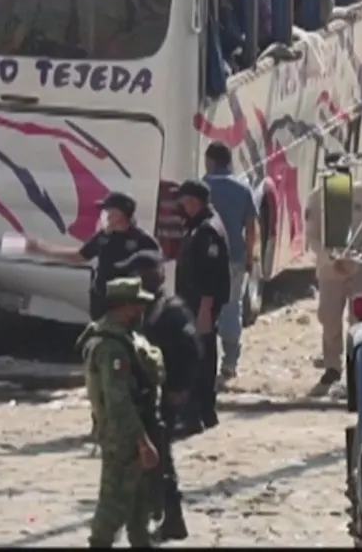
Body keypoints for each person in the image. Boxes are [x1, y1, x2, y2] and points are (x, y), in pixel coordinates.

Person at [115, 251, 199, 542]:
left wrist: (179, 389)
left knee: (159, 459)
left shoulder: (171, 310)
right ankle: (160, 516)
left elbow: (192, 352)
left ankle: (171, 518)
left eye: (135, 275)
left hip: (166, 397)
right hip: (147, 396)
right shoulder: (147, 310)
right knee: (152, 459)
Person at [77, 278, 165, 548]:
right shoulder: (111, 348)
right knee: (112, 505)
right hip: (123, 436)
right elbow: (119, 402)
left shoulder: (121, 336)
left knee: (139, 505)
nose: (142, 310)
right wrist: (142, 442)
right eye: (138, 305)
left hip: (133, 428)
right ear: (124, 307)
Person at [25, 191, 160, 321]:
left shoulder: (142, 240)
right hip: (101, 298)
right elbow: (80, 256)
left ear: (120, 213)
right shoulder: (104, 236)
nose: (105, 214)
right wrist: (43, 249)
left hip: (125, 304)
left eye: (108, 210)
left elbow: (156, 270)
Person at [304, 153, 362, 390]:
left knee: (360, 320)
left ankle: (359, 366)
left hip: (358, 271)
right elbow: (312, 237)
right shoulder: (316, 198)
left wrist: (356, 258)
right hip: (329, 272)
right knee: (330, 319)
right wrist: (331, 259)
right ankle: (332, 367)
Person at [172, 179, 231, 436]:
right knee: (200, 356)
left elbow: (210, 276)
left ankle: (195, 415)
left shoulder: (207, 230)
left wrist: (205, 310)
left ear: (194, 201)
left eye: (184, 202)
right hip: (193, 305)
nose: (181, 207)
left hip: (200, 307)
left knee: (198, 359)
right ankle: (205, 412)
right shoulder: (198, 225)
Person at [201, 141, 257, 385]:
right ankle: (230, 362)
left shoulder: (201, 187)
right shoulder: (243, 189)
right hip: (235, 257)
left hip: (205, 259)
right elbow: (252, 229)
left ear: (210, 161)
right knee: (232, 308)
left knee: (204, 307)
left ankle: (204, 361)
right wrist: (250, 257)